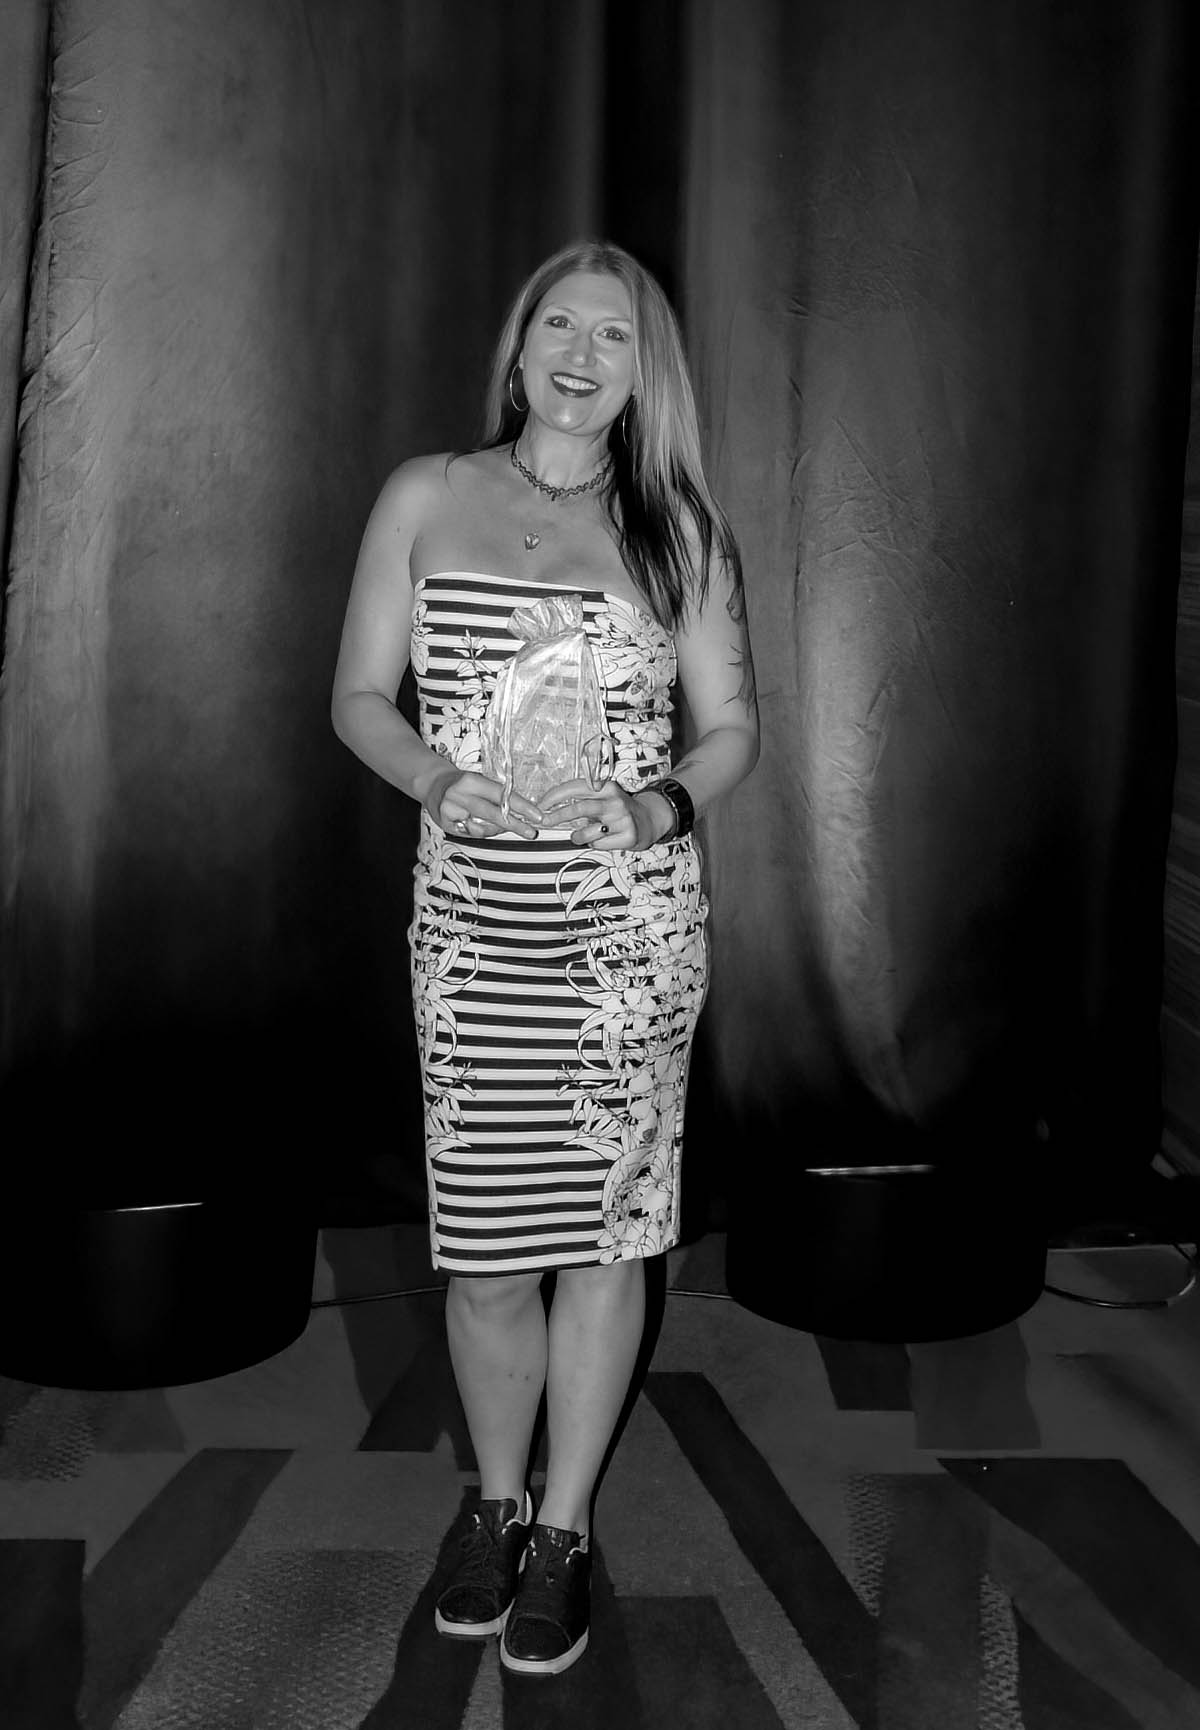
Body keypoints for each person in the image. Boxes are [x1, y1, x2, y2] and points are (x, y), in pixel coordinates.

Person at [331, 239, 759, 1677]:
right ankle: (494, 1501)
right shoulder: (426, 493)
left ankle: (563, 1525)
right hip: (471, 928)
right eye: (559, 325)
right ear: (518, 348)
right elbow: (357, 694)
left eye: (615, 335)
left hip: (623, 937)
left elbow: (732, 731)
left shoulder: (679, 530)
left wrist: (654, 806)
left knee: (605, 1237)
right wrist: (437, 781)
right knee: (488, 1245)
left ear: (647, 373)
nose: (582, 354)